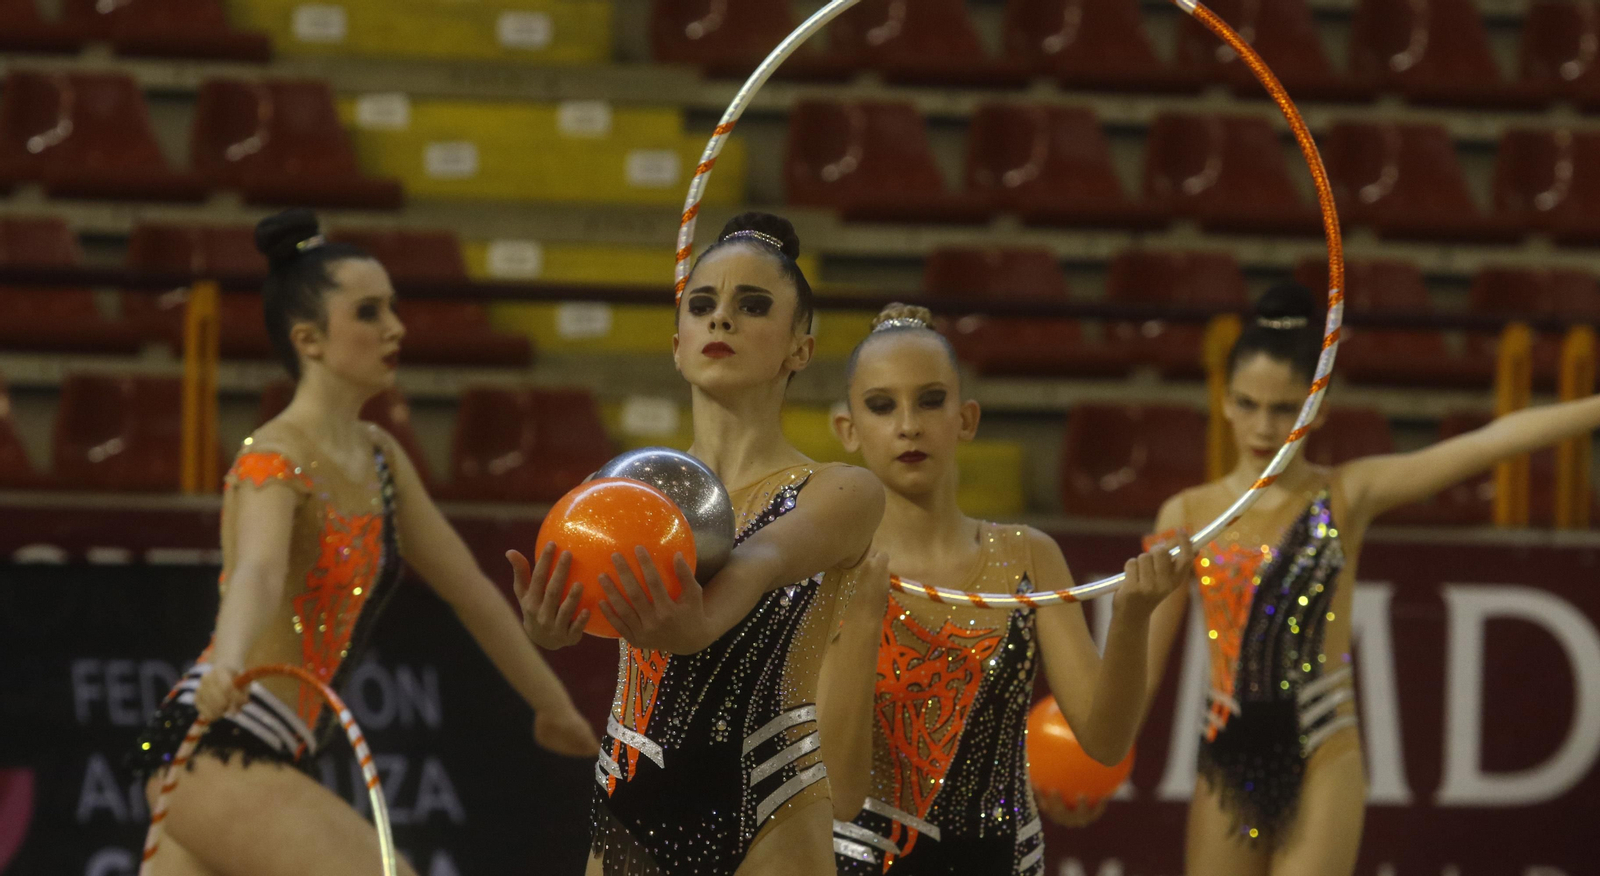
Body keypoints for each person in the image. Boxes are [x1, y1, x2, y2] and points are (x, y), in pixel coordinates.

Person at [130, 209, 597, 876]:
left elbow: (471, 591)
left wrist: (555, 708)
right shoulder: (274, 455)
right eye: (370, 313)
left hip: (270, 752)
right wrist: (227, 665)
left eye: (393, 309)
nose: (395, 328)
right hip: (220, 743)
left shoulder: (381, 459)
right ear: (310, 340)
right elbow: (258, 575)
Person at [1141, 282, 1600, 876]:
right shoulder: (1185, 515)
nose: (1262, 427)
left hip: (1323, 753)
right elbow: (1136, 671)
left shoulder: (1346, 494)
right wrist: (1088, 750)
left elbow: (1491, 442)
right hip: (1225, 762)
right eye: (1247, 403)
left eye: (1284, 408)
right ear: (1223, 400)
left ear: (1319, 407)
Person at [517, 212, 890, 876]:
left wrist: (702, 623)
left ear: (799, 350)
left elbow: (763, 558)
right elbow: (582, 610)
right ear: (677, 342)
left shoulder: (841, 491)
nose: (722, 320)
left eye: (752, 306)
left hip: (773, 809)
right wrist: (551, 628)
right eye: (703, 305)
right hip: (628, 809)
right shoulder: (618, 495)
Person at [818, 304, 1193, 875]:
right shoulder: (836, 569)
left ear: (966, 418)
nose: (908, 425)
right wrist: (865, 622)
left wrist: (1132, 618)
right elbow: (841, 795)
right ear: (848, 429)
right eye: (881, 405)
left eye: (930, 400)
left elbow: (1106, 740)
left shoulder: (1029, 556)